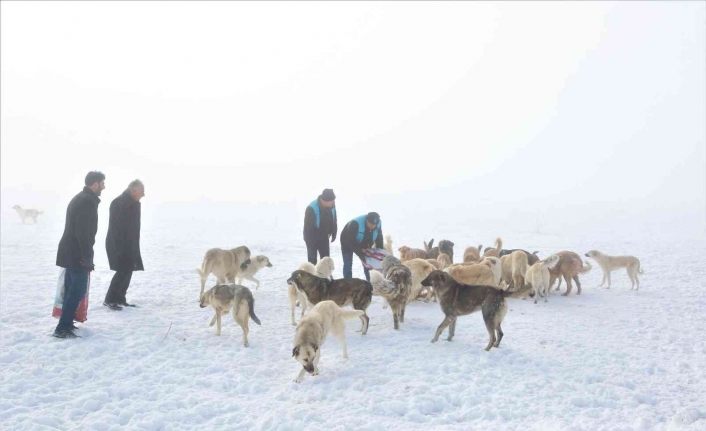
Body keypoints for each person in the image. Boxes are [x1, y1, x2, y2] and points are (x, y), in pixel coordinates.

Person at [53, 171, 105, 338]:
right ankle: (62, 328)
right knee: (77, 290)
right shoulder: (87, 201)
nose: (104, 187)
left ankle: (66, 323)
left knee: (70, 289)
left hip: (70, 251)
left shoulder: (81, 198)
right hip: (77, 254)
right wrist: (87, 258)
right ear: (95, 184)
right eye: (102, 183)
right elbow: (84, 233)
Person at [104, 180, 145, 310]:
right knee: (122, 271)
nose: (143, 194)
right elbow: (117, 228)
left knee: (128, 271)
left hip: (129, 243)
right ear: (133, 190)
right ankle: (110, 299)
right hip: (119, 244)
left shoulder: (133, 202)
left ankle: (120, 298)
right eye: (141, 191)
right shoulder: (120, 203)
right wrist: (120, 247)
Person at [340, 212, 383, 281]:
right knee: (348, 263)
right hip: (347, 241)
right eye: (370, 224)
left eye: (374, 224)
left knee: (368, 263)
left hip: (364, 242)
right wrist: (360, 252)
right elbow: (350, 241)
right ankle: (348, 283)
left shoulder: (378, 223)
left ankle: (370, 282)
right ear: (366, 220)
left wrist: (380, 252)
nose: (372, 226)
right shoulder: (355, 223)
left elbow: (379, 237)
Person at [303, 188, 337, 264]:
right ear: (325, 201)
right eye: (331, 201)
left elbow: (334, 218)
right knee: (312, 261)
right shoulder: (311, 208)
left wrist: (334, 232)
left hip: (324, 236)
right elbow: (308, 228)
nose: (333, 203)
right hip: (311, 237)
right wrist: (311, 242)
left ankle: (324, 275)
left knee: (326, 260)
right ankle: (312, 275)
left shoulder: (332, 205)